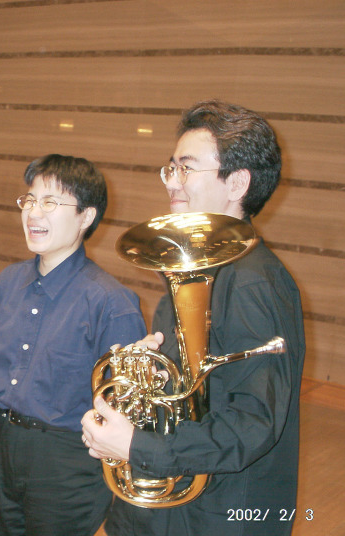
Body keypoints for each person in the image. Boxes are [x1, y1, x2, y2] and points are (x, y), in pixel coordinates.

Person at [81, 100, 305, 536]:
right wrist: (154, 377)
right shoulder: (193, 267)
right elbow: (204, 392)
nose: (171, 181)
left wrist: (136, 445)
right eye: (171, 168)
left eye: (186, 168)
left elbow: (252, 423)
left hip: (220, 514)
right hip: (173, 506)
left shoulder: (252, 282)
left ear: (237, 182)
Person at [0, 153, 147, 536]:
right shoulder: (8, 281)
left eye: (51, 202)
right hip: (3, 438)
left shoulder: (111, 302)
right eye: (30, 200)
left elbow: (128, 410)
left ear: (86, 217)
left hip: (67, 460)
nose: (34, 212)